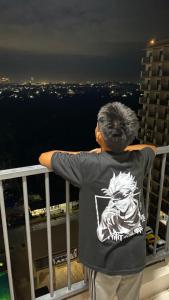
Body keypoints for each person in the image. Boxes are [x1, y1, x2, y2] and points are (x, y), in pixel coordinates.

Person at [39, 102, 156, 300]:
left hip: (103, 262)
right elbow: (151, 147)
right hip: (135, 257)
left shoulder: (87, 164)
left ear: (99, 135)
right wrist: (124, 146)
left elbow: (45, 157)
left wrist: (91, 153)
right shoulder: (139, 159)